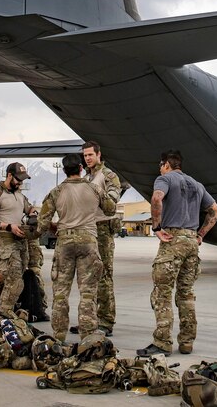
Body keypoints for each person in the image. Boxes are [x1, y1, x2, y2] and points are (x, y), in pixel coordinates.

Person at [137, 149, 217, 357]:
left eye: (161, 166)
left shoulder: (164, 179)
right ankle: (186, 342)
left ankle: (163, 342)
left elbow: (157, 199)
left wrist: (156, 227)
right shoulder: (197, 184)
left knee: (162, 293)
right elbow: (215, 211)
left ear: (166, 165)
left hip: (173, 239)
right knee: (186, 294)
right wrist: (200, 234)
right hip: (191, 241)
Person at [38, 153, 115, 342]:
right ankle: (88, 335)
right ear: (81, 168)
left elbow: (42, 224)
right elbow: (110, 208)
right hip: (88, 241)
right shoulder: (94, 188)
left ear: (64, 170)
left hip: (64, 242)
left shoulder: (56, 191)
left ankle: (58, 336)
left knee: (61, 292)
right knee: (88, 291)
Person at [0, 162, 36, 315]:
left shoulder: (19, 194)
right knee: (14, 280)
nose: (21, 183)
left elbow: (29, 207)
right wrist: (8, 226)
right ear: (9, 176)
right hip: (6, 240)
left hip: (20, 241)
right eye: (18, 179)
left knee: (9, 280)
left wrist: (33, 214)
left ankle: (0, 311)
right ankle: (4, 314)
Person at [80, 140, 122, 336]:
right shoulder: (86, 177)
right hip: (88, 228)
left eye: (90, 154)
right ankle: (91, 319)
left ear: (98, 154)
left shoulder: (108, 176)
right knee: (90, 276)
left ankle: (106, 320)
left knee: (104, 276)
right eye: (85, 155)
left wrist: (95, 193)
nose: (88, 158)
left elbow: (111, 203)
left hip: (103, 229)